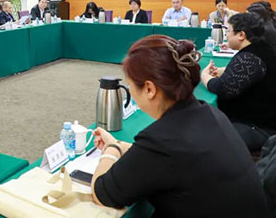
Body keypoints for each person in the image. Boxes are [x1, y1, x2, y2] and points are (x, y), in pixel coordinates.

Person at [91, 35, 269, 217]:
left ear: (149, 89)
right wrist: (121, 146)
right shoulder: (210, 113)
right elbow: (168, 158)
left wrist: (111, 150)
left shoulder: (162, 140)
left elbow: (103, 193)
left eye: (130, 86)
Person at [201, 13, 276, 152]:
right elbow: (252, 71)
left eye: (228, 31)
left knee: (204, 138)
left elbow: (222, 88)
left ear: (241, 35)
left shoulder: (249, 57)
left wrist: (205, 76)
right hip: (262, 120)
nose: (226, 35)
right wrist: (222, 70)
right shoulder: (262, 48)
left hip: (258, 126)